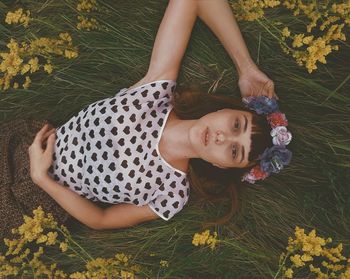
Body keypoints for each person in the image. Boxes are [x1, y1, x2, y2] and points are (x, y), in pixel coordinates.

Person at [27, 0, 291, 230]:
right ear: (224, 110)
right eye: (236, 124)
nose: (223, 137)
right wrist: (245, 67)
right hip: (28, 139)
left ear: (221, 166)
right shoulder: (154, 94)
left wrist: (41, 178)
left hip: (36, 200)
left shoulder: (172, 194)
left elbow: (102, 219)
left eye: (234, 152)